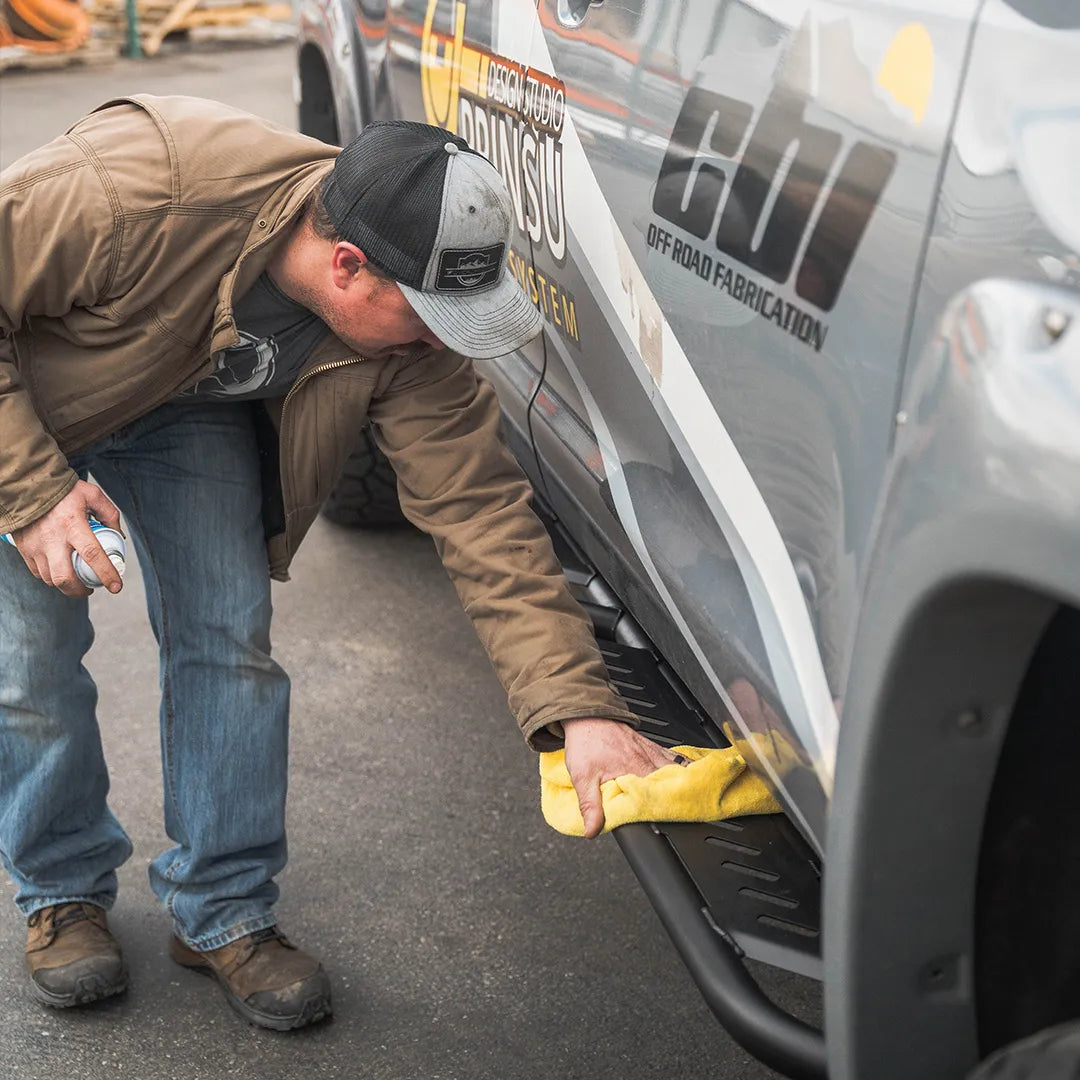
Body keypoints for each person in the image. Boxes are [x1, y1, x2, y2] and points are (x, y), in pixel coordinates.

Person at [0, 96, 681, 1030]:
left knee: (227, 638)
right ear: (348, 264)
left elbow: (480, 511)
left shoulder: (411, 338)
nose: (447, 338)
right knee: (28, 664)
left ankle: (223, 911)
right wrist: (32, 491)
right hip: (30, 399)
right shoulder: (130, 194)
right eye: (431, 314)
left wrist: (578, 710)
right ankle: (60, 894)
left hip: (184, 407)